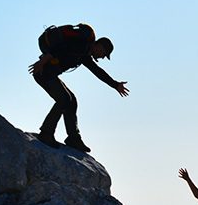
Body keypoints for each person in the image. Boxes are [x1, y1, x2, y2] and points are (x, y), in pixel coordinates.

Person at [28, 23, 129, 152]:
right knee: (64, 100)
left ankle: (73, 139)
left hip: (48, 73)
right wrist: (41, 62)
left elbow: (97, 71)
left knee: (71, 101)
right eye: (104, 53)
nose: (103, 57)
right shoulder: (81, 45)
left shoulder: (84, 54)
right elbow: (58, 49)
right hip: (43, 72)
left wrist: (115, 85)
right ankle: (46, 133)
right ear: (99, 46)